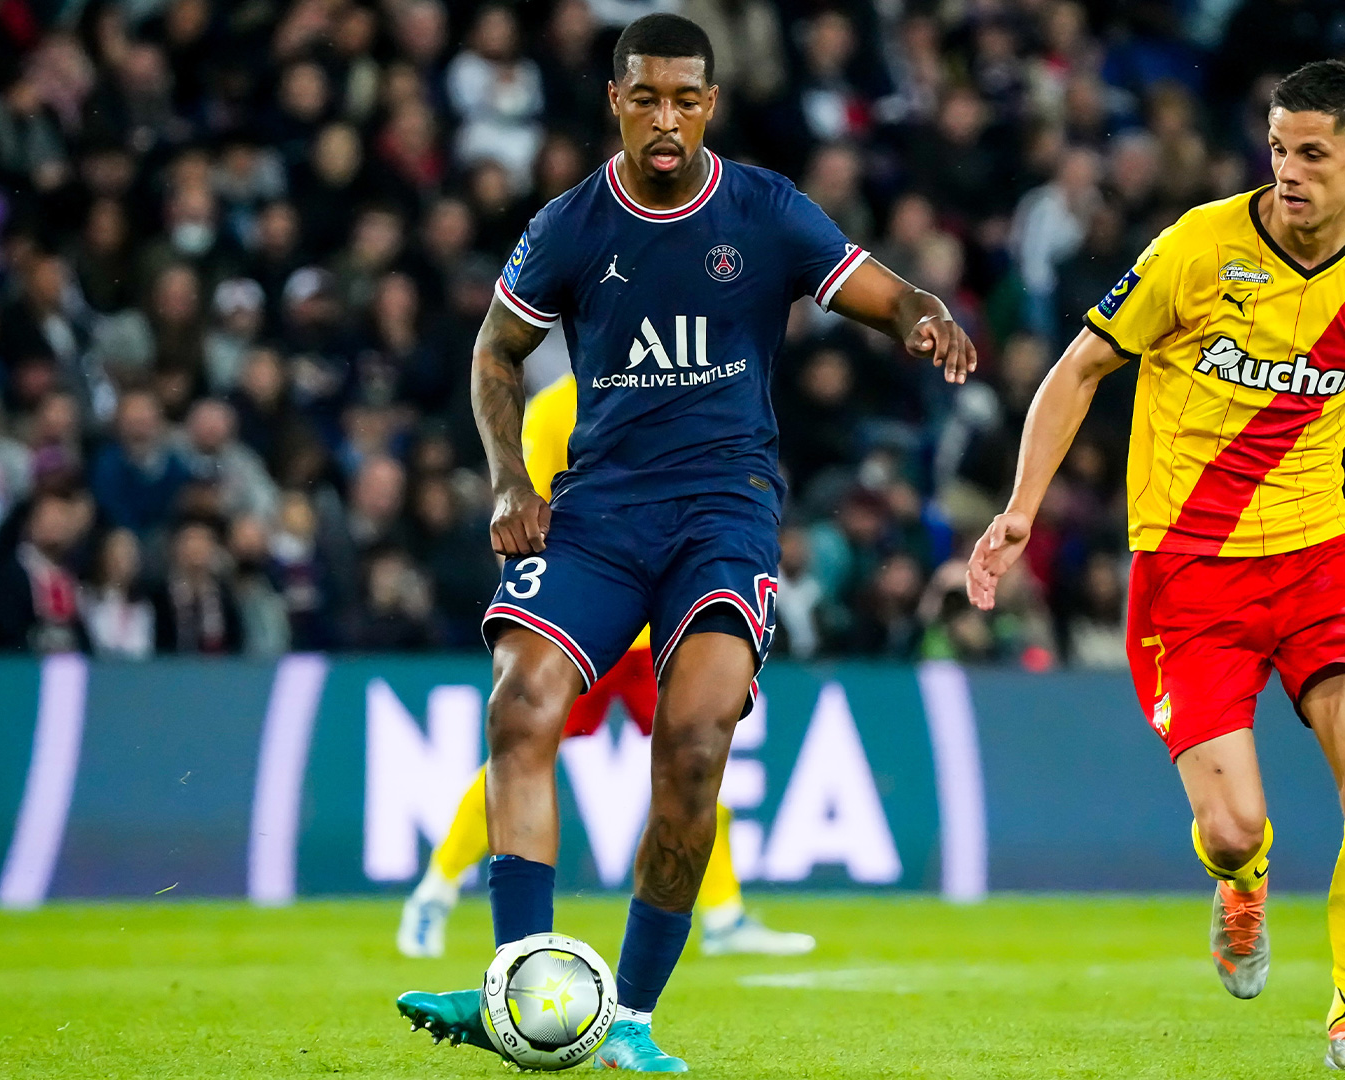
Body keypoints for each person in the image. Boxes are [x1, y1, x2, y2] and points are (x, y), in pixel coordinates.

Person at [396, 14, 974, 1072]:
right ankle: (519, 982)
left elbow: (888, 294)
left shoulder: (765, 210)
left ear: (711, 105)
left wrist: (924, 315)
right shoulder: (570, 226)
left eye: (685, 100)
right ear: (615, 102)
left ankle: (630, 1018)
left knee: (697, 742)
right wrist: (509, 479)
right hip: (600, 512)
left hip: (724, 510)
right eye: (646, 98)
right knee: (519, 705)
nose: (666, 119)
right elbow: (495, 352)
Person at [965, 61, 1345, 1075]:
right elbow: (1079, 369)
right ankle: (1240, 884)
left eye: (1313, 154)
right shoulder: (1196, 247)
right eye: (1279, 148)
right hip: (1188, 571)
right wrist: (1020, 508)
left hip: (1319, 557)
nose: (1289, 170)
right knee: (1238, 829)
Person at [396, 371, 816, 961]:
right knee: (522, 752)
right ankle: (436, 890)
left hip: (662, 625)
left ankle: (723, 914)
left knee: (697, 760)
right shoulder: (554, 412)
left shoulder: (674, 388)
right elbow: (525, 516)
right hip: (589, 619)